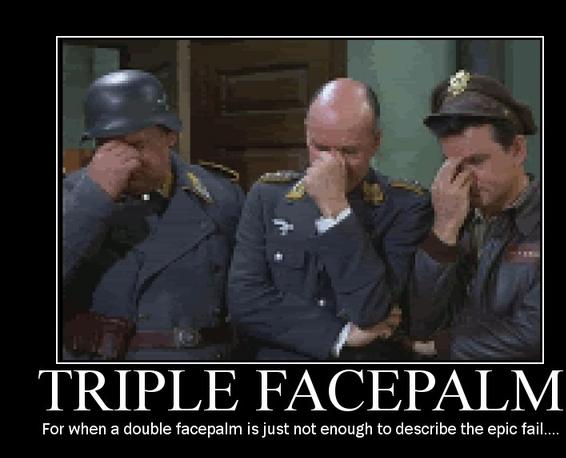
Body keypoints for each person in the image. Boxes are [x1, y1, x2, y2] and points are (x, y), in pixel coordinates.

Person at [228, 78, 433, 361]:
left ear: (376, 142)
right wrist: (340, 335)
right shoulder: (268, 196)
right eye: (321, 148)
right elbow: (245, 302)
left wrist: (335, 207)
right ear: (307, 135)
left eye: (349, 152)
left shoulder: (405, 205)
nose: (334, 166)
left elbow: (372, 311)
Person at [62, 70, 244, 361]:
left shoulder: (221, 196)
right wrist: (93, 199)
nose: (125, 162)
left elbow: (250, 296)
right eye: (109, 147)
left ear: (170, 135)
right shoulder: (70, 198)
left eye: (136, 145)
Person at [408, 70, 540, 361]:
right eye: (453, 164)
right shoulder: (449, 213)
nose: (465, 179)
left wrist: (442, 347)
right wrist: (444, 230)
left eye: (477, 162)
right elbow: (420, 322)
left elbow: (534, 335)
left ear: (518, 150)